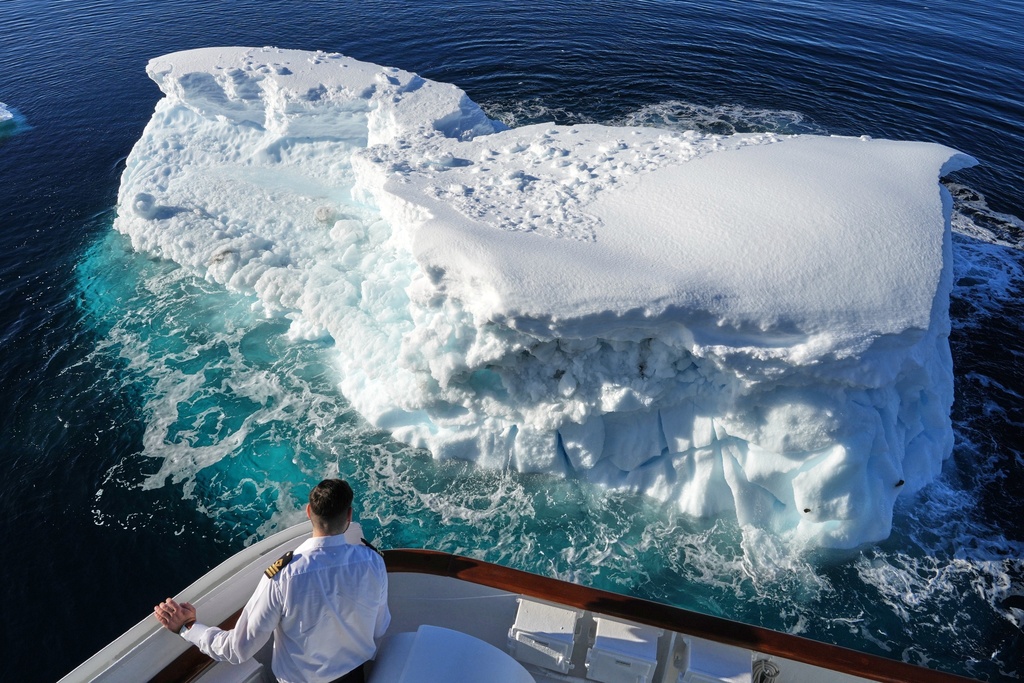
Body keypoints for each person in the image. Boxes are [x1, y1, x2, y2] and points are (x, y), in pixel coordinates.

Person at [154, 479, 390, 683]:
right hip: (356, 677)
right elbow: (380, 627)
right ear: (349, 515)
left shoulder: (283, 576)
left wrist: (187, 627)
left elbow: (238, 649)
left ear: (308, 512)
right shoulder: (373, 562)